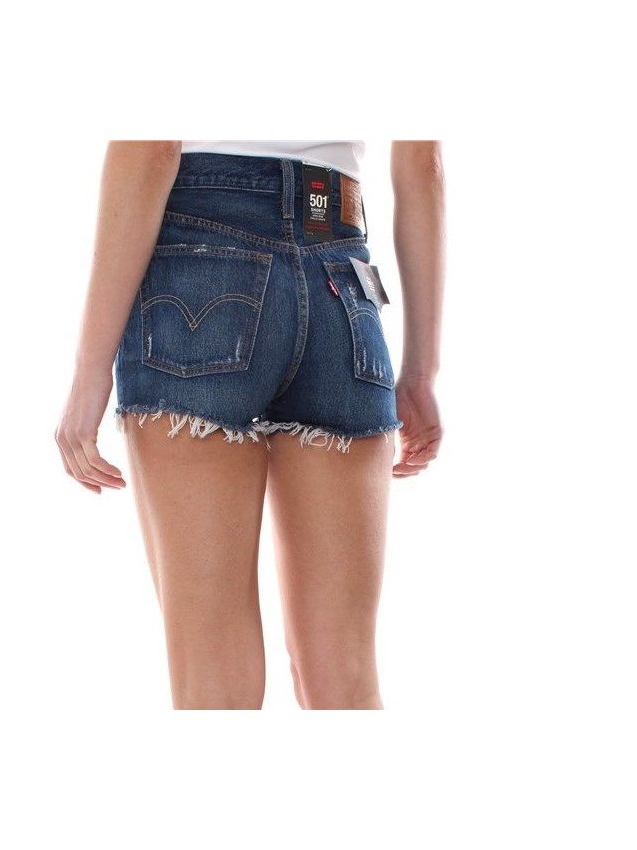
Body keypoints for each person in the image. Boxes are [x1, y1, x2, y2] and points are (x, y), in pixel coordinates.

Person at [55, 140, 444, 710]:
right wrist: (420, 374)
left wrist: (90, 373)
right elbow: (423, 166)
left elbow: (152, 148)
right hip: (341, 280)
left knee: (213, 683)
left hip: (201, 265)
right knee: (345, 679)